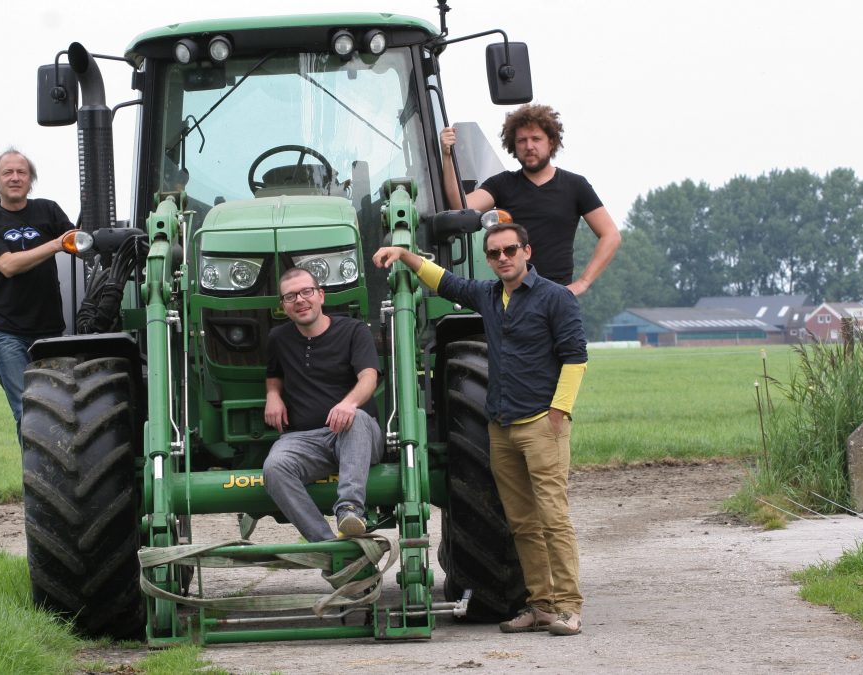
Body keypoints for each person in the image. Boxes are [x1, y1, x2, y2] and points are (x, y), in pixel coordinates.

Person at [373, 223, 588, 636]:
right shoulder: (489, 296)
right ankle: (540, 604)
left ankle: (569, 607)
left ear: (527, 251)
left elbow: (576, 358)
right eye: (494, 253)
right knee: (521, 522)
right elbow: (446, 282)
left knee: (553, 518)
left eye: (510, 250)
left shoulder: (554, 298)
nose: (503, 258)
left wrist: (557, 414)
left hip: (542, 424)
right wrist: (404, 255)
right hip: (501, 427)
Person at [440, 103, 621, 296]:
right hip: (514, 296)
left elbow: (611, 235)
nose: (529, 146)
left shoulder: (575, 185)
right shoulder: (502, 184)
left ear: (551, 142)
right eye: (522, 140)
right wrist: (447, 156)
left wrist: (583, 282)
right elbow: (460, 206)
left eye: (536, 139)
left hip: (557, 295)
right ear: (513, 145)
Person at [262, 268, 384, 542]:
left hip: (355, 435)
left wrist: (349, 404)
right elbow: (274, 375)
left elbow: (368, 377)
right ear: (283, 306)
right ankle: (327, 546)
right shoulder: (278, 339)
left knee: (359, 419)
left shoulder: (354, 330)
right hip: (305, 439)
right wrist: (273, 395)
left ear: (321, 296)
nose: (300, 300)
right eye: (290, 296)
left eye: (307, 292)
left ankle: (350, 509)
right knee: (274, 467)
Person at [0, 148, 74, 441]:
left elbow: (79, 243)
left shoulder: (49, 210)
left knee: (60, 408)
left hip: (51, 330)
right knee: (27, 409)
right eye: (8, 172)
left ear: (31, 180)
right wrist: (56, 244)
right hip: (7, 331)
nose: (15, 178)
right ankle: (36, 483)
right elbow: (8, 266)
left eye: (21, 172)